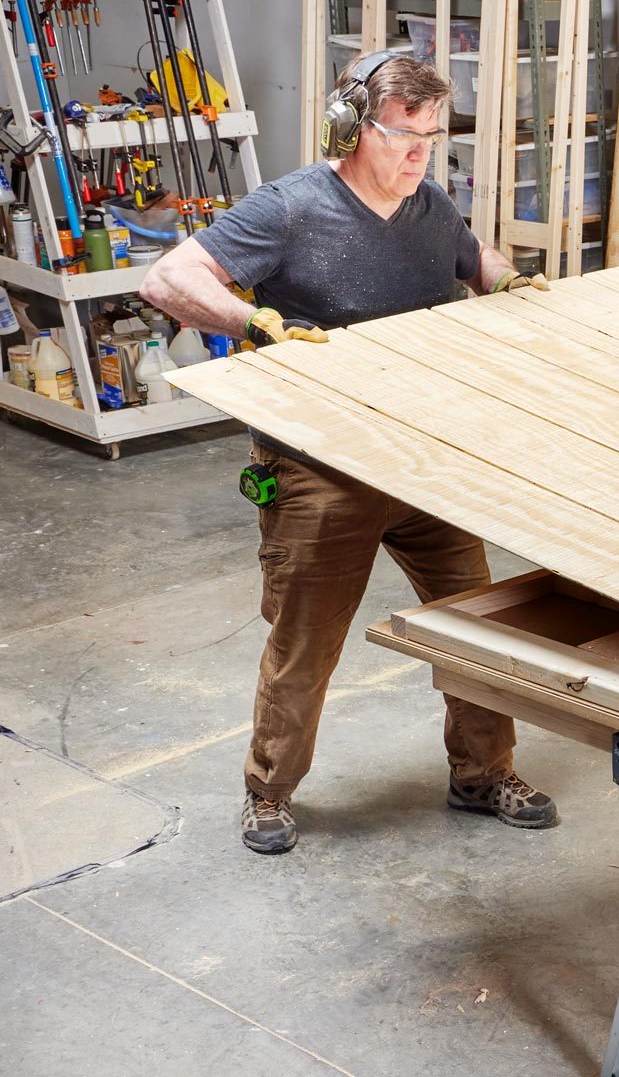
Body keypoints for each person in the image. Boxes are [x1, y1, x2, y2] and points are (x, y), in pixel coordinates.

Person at [140, 53, 557, 854]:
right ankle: (268, 791)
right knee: (308, 640)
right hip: (321, 466)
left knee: (480, 626)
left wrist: (508, 284)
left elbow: (475, 258)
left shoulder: (429, 206)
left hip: (422, 459)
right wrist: (250, 321)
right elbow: (170, 277)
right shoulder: (290, 210)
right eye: (404, 137)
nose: (420, 156)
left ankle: (482, 774)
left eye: (432, 139)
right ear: (350, 129)